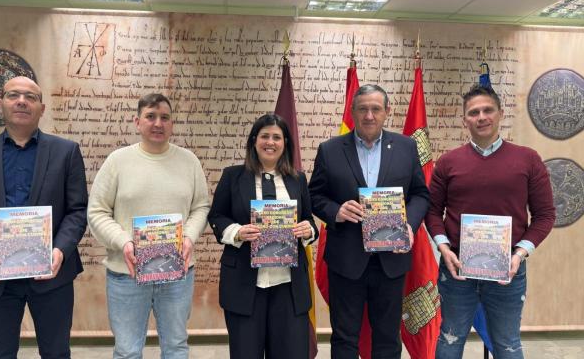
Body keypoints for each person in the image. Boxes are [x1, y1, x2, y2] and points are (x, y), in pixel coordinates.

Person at [0, 76, 88, 358]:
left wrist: (60, 250)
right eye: (14, 95)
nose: (22, 101)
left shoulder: (66, 152)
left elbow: (77, 210)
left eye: (30, 96)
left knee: (57, 353)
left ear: (42, 108)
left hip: (51, 274)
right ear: (1, 104)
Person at [425, 84, 555, 359]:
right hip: (457, 267)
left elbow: (545, 215)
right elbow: (433, 211)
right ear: (464, 120)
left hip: (508, 269)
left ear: (500, 114)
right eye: (474, 112)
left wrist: (520, 254)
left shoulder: (528, 159)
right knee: (449, 340)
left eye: (487, 110)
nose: (481, 117)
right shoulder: (448, 162)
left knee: (507, 344)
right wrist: (444, 248)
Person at [308, 84, 430, 358]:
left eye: (376, 109)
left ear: (388, 111)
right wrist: (336, 211)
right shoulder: (330, 149)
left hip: (391, 260)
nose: (369, 115)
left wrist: (408, 225)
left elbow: (421, 194)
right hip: (346, 260)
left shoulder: (406, 147)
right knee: (344, 337)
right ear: (352, 112)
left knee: (388, 337)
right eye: (362, 109)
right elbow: (313, 195)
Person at [88, 93, 209, 359]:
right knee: (128, 350)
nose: (158, 123)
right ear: (137, 122)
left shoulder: (189, 162)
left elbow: (201, 207)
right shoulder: (117, 162)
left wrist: (189, 237)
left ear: (172, 123)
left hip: (178, 273)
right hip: (126, 274)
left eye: (165, 117)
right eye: (150, 116)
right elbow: (97, 212)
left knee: (176, 346)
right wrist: (124, 242)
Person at [208, 114, 318, 359]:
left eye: (277, 137)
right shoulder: (232, 175)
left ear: (285, 143)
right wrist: (236, 232)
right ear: (254, 141)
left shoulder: (297, 178)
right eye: (265, 136)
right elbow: (216, 216)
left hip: (289, 286)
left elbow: (309, 219)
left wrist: (308, 230)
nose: (271, 142)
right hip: (245, 285)